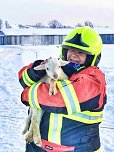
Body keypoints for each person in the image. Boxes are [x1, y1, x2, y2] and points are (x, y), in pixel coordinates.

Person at [18, 26, 107, 152]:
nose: (74, 54)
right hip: (38, 147)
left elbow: (58, 99)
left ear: (92, 57)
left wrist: (28, 94)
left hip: (77, 149)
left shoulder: (94, 79)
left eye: (81, 52)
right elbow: (23, 78)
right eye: (70, 50)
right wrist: (40, 67)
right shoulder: (59, 68)